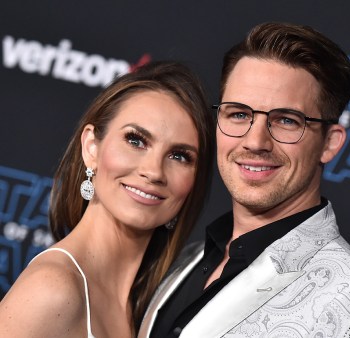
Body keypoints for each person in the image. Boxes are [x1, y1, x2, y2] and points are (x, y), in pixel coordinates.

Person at [138, 23, 350, 338]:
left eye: (286, 121)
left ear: (330, 143)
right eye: (238, 114)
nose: (255, 142)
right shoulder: (186, 259)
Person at [0, 61, 214, 337]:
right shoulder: (52, 287)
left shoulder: (149, 308)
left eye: (179, 156)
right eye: (136, 140)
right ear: (92, 148)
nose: (153, 171)